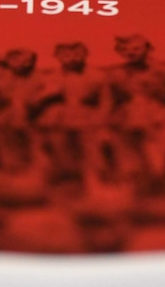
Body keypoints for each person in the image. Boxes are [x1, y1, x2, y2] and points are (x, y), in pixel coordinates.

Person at [105, 34, 165, 192]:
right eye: (125, 50)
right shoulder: (116, 73)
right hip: (130, 119)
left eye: (136, 48)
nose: (131, 53)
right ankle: (141, 190)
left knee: (161, 156)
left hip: (162, 117)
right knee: (130, 158)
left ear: (147, 48)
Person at [33, 42, 111, 189]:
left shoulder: (98, 76)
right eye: (66, 55)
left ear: (85, 55)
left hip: (87, 117)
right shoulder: (51, 77)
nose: (72, 59)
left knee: (91, 149)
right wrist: (47, 96)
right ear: (57, 57)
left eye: (77, 54)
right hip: (60, 118)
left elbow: (106, 100)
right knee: (61, 147)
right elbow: (39, 100)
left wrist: (102, 120)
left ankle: (95, 181)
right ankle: (67, 180)